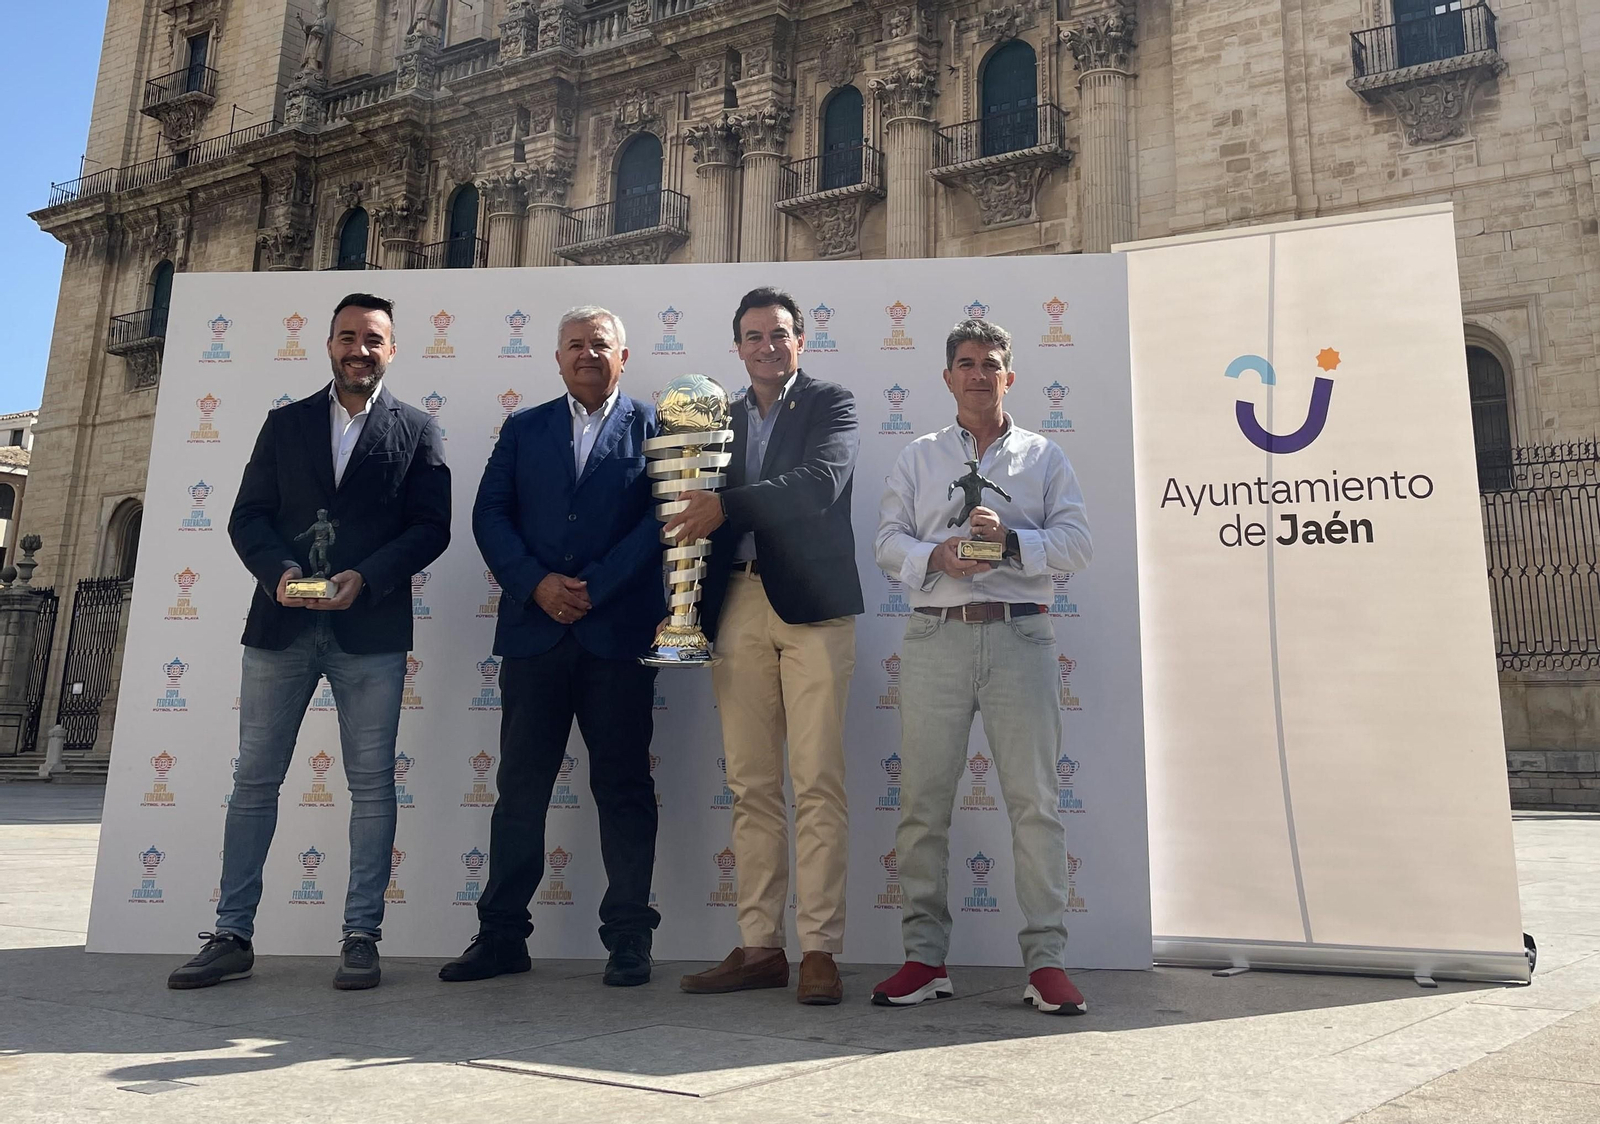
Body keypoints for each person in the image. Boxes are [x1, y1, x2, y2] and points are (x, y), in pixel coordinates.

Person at [168, 292, 451, 991]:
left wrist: (370, 576)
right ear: (328, 345)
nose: (359, 349)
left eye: (374, 339)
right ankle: (232, 934)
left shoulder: (417, 430)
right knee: (255, 782)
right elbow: (247, 518)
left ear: (393, 349)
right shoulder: (284, 424)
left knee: (372, 788)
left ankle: (361, 937)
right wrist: (280, 572)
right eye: (347, 336)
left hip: (371, 630)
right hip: (281, 626)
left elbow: (431, 527)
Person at [872, 318, 1093, 1015]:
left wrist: (1013, 542)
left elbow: (1077, 545)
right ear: (946, 377)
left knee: (1035, 804)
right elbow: (886, 542)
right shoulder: (918, 456)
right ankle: (924, 958)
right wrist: (936, 557)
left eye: (991, 363)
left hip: (1017, 637)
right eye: (965, 363)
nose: (978, 373)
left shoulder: (1044, 457)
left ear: (1010, 376)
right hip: (936, 636)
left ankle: (1046, 963)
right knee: (923, 807)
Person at [440, 307, 664, 988]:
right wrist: (536, 584)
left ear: (623, 356)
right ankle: (502, 936)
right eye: (575, 345)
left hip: (616, 636)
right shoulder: (524, 427)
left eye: (601, 345)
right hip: (536, 635)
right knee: (520, 791)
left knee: (624, 787)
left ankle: (629, 939)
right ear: (557, 357)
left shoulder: (655, 427)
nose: (587, 354)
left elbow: (664, 517)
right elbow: (489, 514)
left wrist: (595, 587)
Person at [666, 287, 863, 1006]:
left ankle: (819, 949)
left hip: (812, 610)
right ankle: (759, 946)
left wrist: (728, 505)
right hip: (736, 604)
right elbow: (684, 496)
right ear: (739, 348)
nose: (767, 346)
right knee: (751, 784)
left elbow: (819, 484)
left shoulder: (832, 405)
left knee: (816, 781)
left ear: (800, 342)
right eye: (753, 336)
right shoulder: (712, 417)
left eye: (779, 334)